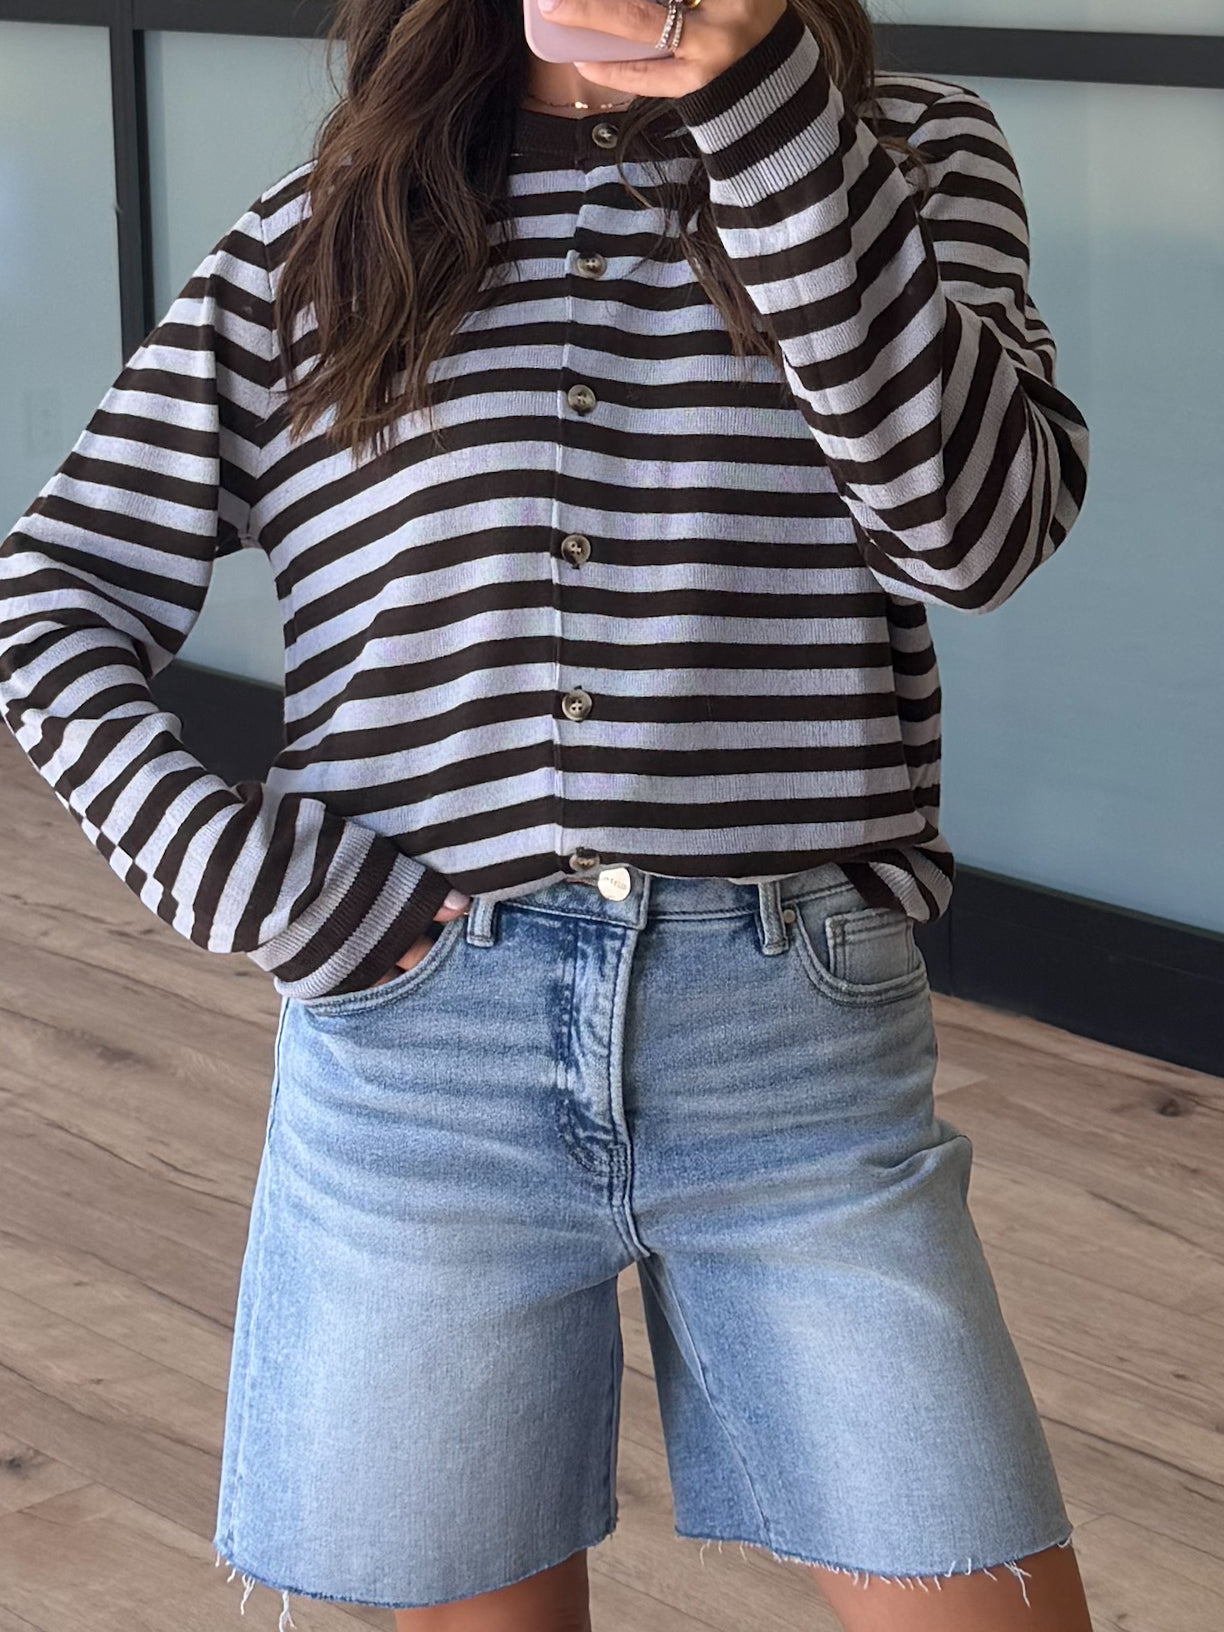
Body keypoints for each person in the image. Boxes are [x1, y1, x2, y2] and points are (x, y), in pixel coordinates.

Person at [0, 1, 1094, 1629]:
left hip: (794, 1057)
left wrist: (763, 108)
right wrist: (259, 886)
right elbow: (51, 596)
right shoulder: (331, 228)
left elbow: (979, 532)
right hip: (420, 1070)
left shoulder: (904, 155)